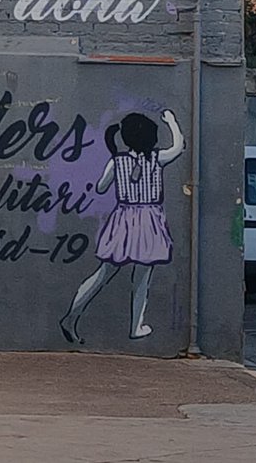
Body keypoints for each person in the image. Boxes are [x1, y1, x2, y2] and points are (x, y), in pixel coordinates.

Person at [59, 109, 184, 344]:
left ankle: (71, 317)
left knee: (103, 273)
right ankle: (136, 327)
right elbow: (178, 147)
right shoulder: (157, 159)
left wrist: (119, 169)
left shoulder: (117, 162)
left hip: (124, 220)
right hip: (149, 221)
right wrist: (172, 121)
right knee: (142, 278)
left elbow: (101, 188)